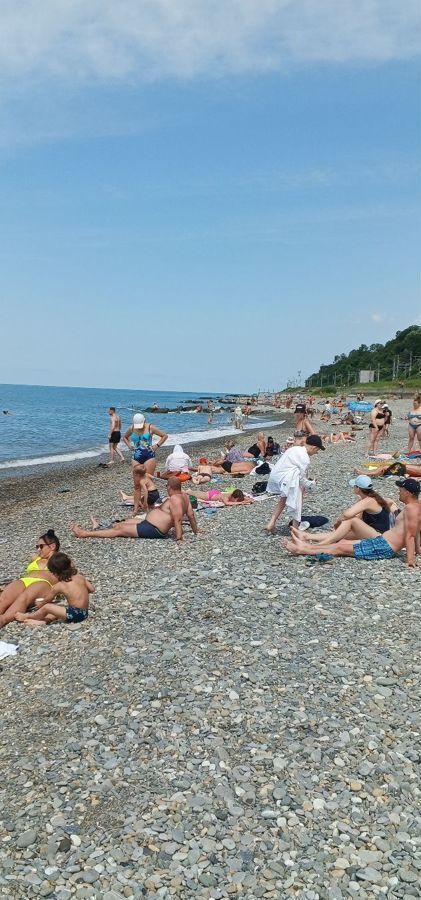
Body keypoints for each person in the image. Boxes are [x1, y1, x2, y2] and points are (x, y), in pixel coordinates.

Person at [283, 479, 421, 566]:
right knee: (342, 543)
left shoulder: (411, 509)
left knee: (339, 548)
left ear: (408, 493)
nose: (399, 492)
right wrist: (418, 550)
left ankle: (303, 549)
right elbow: (417, 531)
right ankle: (305, 542)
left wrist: (410, 560)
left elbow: (410, 535)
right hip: (382, 541)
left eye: (401, 490)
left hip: (385, 547)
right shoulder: (416, 507)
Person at [72, 477, 200, 542]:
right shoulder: (184, 497)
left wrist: (179, 539)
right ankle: (98, 526)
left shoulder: (175, 499)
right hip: (149, 523)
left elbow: (177, 520)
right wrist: (196, 531)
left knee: (119, 530)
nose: (166, 488)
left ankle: (84, 534)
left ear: (170, 487)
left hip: (154, 530)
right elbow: (191, 515)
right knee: (122, 523)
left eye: (167, 486)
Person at [290, 475, 397, 546]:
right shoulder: (373, 498)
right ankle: (306, 536)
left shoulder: (369, 500)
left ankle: (318, 546)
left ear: (358, 488)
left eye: (354, 486)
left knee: (350, 520)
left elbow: (347, 515)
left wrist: (338, 522)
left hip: (380, 536)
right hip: (375, 532)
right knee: (341, 534)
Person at [0, 530, 61, 628]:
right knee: (4, 599)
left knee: (23, 597)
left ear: (52, 546)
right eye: (37, 547)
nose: (38, 550)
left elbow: (71, 574)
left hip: (44, 583)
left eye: (41, 546)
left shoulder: (61, 560)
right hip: (25, 580)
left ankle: (3, 619)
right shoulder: (35, 558)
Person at [265, 435, 325, 533]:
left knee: (285, 497)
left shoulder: (294, 449)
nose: (316, 453)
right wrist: (312, 483)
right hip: (284, 479)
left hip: (275, 476)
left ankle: (271, 523)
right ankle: (295, 529)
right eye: (317, 450)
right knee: (299, 493)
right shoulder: (305, 458)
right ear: (314, 447)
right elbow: (301, 479)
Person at [15, 553, 94, 627]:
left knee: (47, 607)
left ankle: (27, 616)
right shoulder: (79, 576)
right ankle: (44, 621)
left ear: (55, 573)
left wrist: (40, 603)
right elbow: (92, 589)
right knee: (57, 609)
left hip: (75, 615)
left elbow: (46, 601)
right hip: (84, 613)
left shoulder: (59, 585)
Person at [188, 487, 253, 506]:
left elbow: (250, 499)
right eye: (237, 500)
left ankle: (190, 491)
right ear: (233, 497)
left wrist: (246, 500)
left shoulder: (234, 495)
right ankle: (186, 491)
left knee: (197, 492)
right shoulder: (226, 497)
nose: (237, 501)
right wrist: (241, 503)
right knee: (192, 493)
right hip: (210, 496)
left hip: (217, 493)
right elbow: (227, 503)